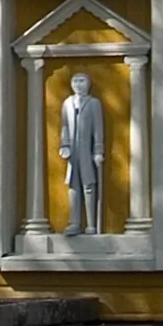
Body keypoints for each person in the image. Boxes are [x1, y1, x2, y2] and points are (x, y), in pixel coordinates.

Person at [59, 69, 105, 234]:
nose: (78, 85)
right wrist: (64, 144)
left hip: (87, 150)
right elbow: (64, 125)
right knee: (73, 185)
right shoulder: (67, 103)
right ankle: (74, 222)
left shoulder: (93, 103)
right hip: (73, 151)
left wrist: (98, 150)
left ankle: (91, 224)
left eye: (82, 81)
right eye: (75, 81)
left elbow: (98, 129)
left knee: (89, 185)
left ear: (88, 84)